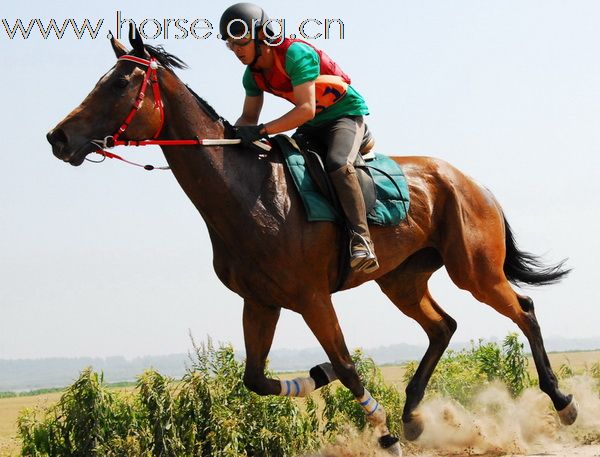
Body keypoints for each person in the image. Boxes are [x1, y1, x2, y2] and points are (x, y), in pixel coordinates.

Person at [220, 3, 378, 273]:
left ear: (261, 37)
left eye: (241, 42)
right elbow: (248, 117)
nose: (236, 51)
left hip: (344, 117)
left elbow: (305, 109)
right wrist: (228, 140)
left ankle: (362, 238)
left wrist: (262, 130)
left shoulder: (295, 53)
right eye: (230, 45)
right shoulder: (252, 77)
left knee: (338, 163)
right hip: (312, 125)